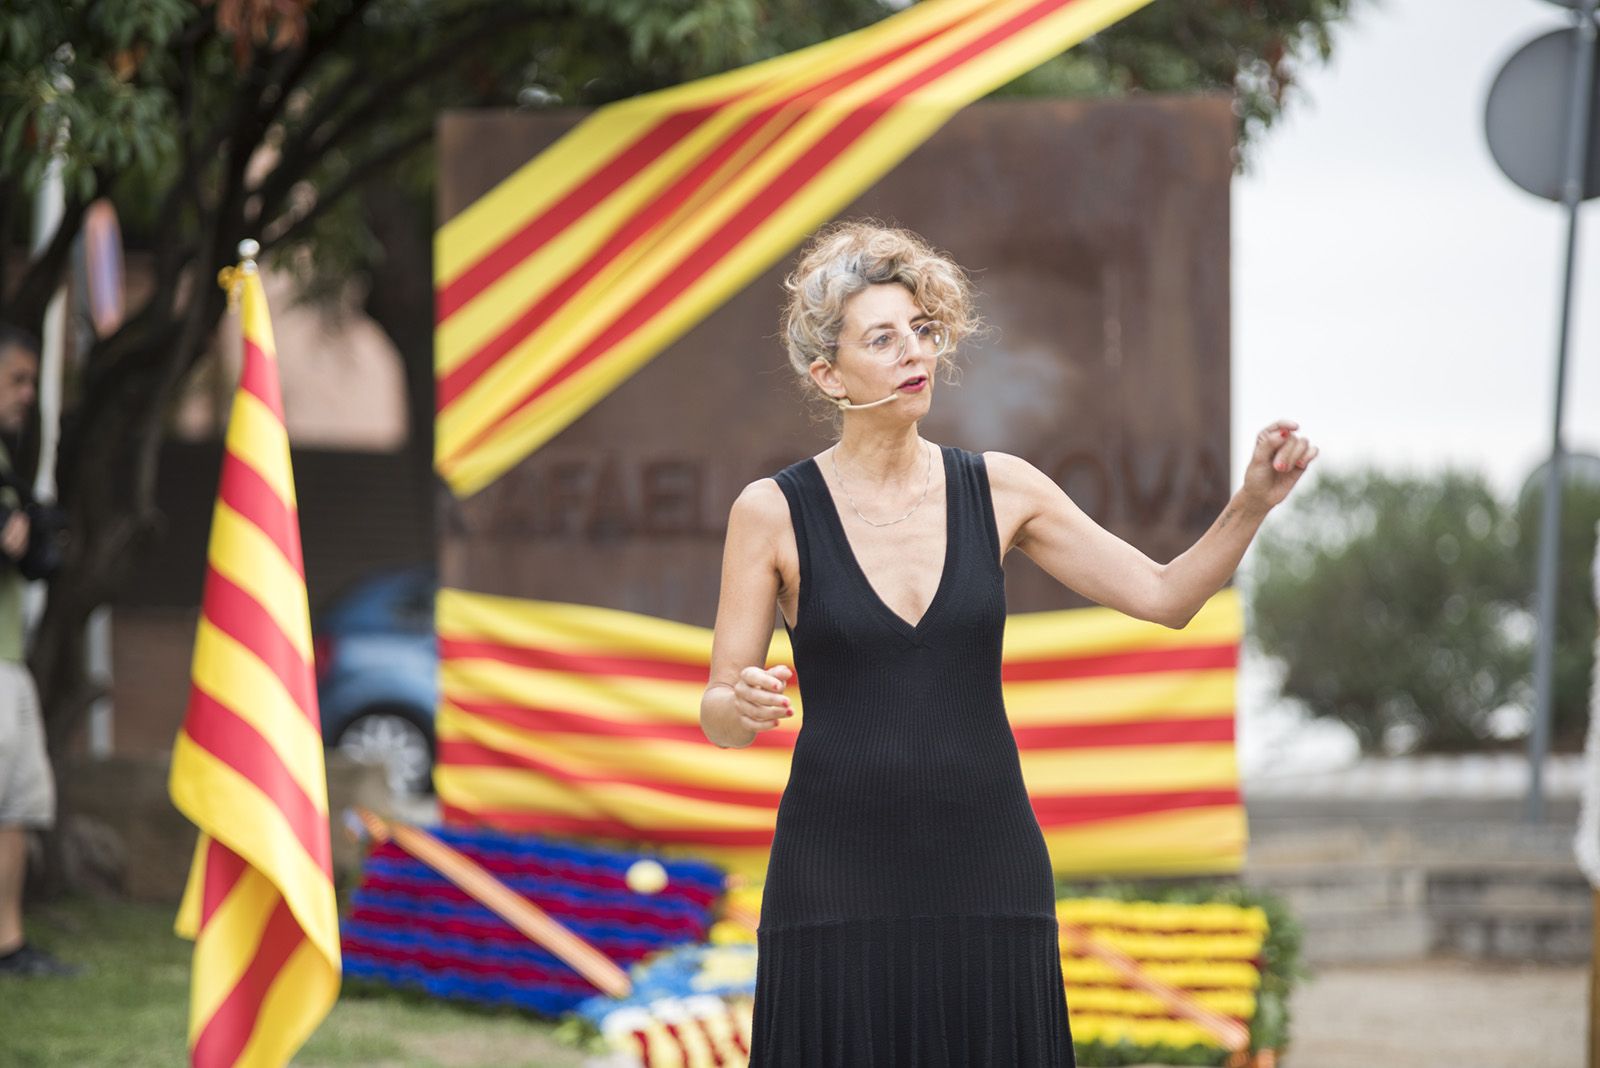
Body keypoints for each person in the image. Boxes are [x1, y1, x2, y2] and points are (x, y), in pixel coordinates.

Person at [700, 220, 1316, 1064]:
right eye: (881, 338)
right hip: (833, 875)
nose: (914, 352)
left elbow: (1166, 596)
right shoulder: (769, 511)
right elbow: (719, 712)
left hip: (986, 865)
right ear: (827, 373)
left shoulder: (1001, 488)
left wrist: (1250, 506)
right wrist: (739, 701)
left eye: (921, 330)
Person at [0, 323, 75, 978]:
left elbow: (33, 563)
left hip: (8, 660)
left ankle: (10, 945)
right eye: (18, 379)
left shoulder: (6, 467)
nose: (28, 394)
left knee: (17, 805)